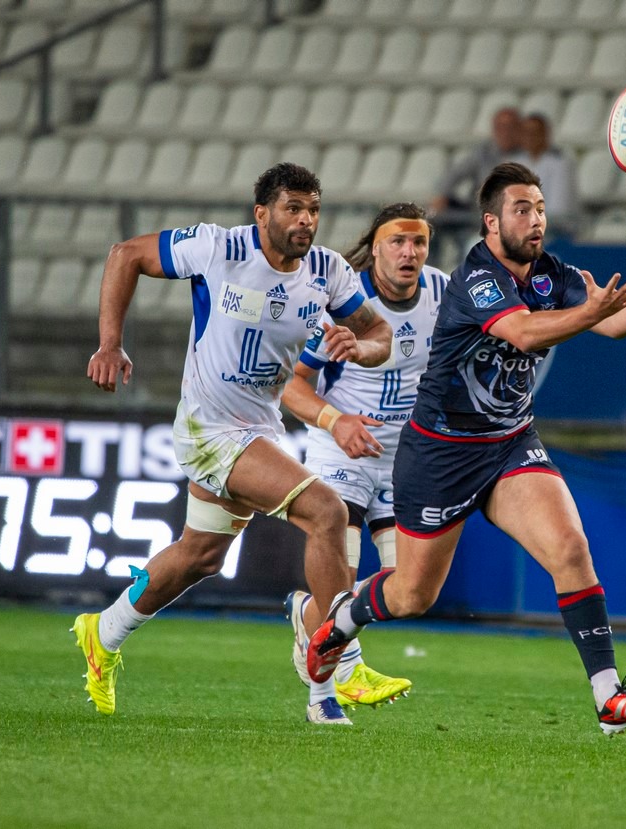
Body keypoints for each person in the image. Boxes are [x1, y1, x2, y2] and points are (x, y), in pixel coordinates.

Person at [308, 162, 626, 736]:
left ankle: (609, 698)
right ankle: (343, 617)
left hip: (510, 444)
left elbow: (613, 326)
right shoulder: (477, 278)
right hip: (441, 452)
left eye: (539, 208)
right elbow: (524, 332)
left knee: (570, 549)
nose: (536, 219)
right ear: (491, 222)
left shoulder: (551, 273)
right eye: (521, 209)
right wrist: (591, 311)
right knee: (412, 595)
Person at [78, 163, 392, 725]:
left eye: (313, 210)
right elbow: (125, 255)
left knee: (201, 556)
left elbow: (378, 335)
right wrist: (110, 343)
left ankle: (103, 633)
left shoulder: (327, 271)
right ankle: (339, 666)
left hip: (260, 427)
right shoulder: (217, 248)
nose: (306, 220)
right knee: (327, 512)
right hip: (210, 429)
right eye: (293, 208)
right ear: (261, 213)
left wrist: (359, 347)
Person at [281, 203, 448, 715]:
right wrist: (336, 422)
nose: (409, 252)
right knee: (341, 579)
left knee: (408, 592)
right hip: (342, 452)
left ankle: (308, 614)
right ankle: (327, 693)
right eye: (397, 241)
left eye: (418, 242)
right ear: (375, 248)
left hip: (405, 459)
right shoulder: (342, 303)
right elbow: (291, 386)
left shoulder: (443, 293)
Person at [431, 106, 522, 217]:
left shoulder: (528, 154)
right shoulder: (484, 152)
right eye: (500, 128)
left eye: (510, 128)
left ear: (519, 129)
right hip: (478, 212)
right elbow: (456, 172)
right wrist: (441, 194)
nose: (505, 133)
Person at [508, 113, 579, 235]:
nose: (530, 137)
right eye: (526, 133)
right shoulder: (516, 162)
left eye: (535, 133)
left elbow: (559, 208)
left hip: (555, 230)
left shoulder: (561, 163)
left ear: (545, 134)